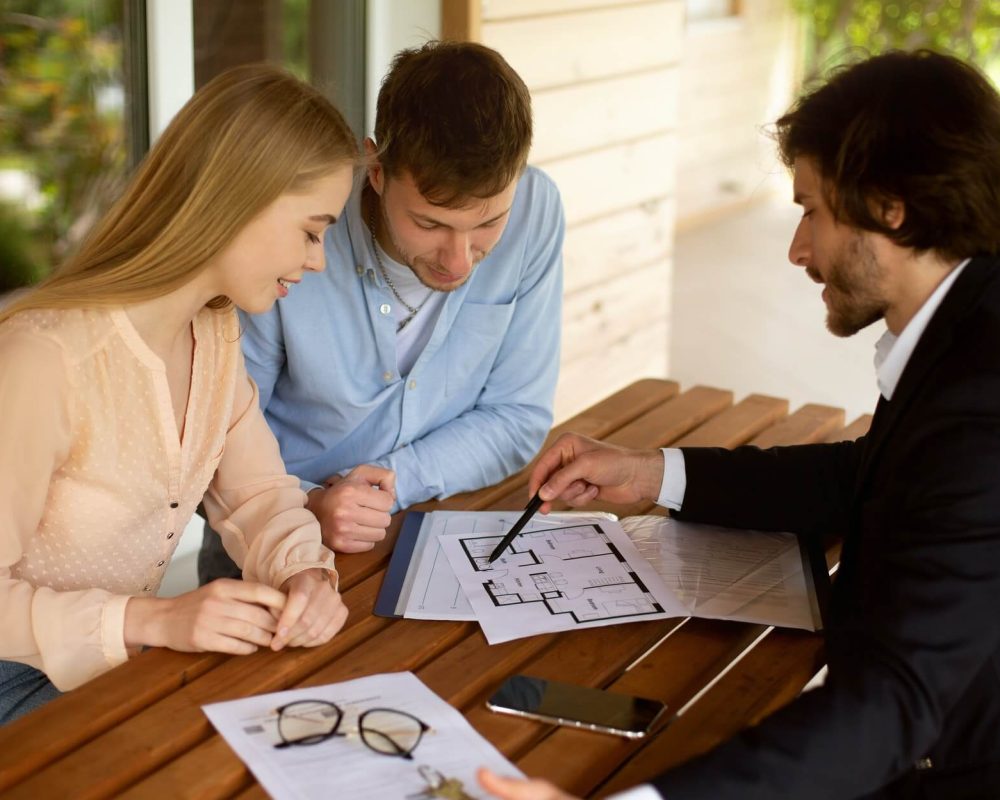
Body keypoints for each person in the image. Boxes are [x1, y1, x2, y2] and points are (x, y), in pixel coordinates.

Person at [477, 49, 1000, 800]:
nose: (796, 249)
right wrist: (651, 473)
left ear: (892, 207)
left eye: (811, 211)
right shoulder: (964, 321)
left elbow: (894, 703)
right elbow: (867, 479)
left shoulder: (984, 403)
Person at [0, 64, 358, 724]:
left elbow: (257, 494)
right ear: (238, 199)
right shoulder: (44, 357)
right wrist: (156, 619)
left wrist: (304, 574)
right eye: (312, 230)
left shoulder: (214, 332)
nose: (319, 261)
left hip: (109, 674)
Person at [198, 40, 564, 580]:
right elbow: (214, 440)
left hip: (444, 537)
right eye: (431, 224)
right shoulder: (293, 234)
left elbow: (517, 418)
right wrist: (312, 505)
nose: (460, 261)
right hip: (274, 549)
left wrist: (388, 484)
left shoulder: (537, 208)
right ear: (375, 168)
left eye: (488, 224)